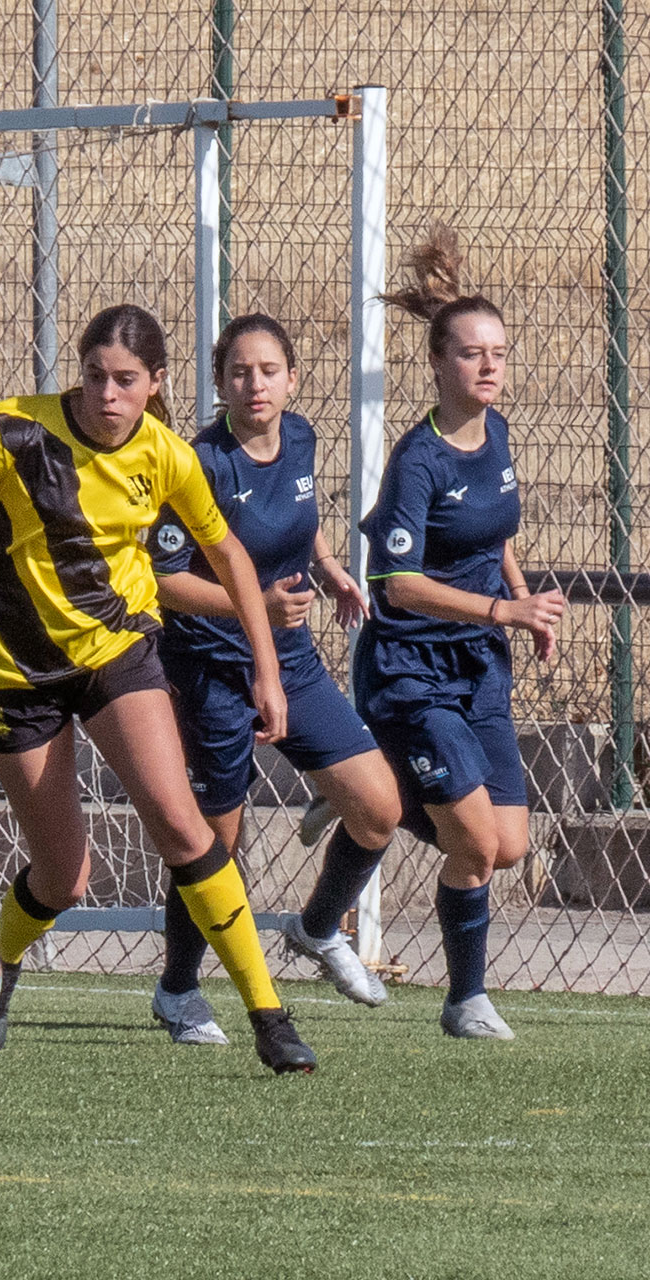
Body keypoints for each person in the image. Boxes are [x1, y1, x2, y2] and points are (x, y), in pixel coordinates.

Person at [0, 303, 317, 1074]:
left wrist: (267, 672)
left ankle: (268, 1015)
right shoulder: (15, 431)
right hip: (13, 670)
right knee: (63, 875)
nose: (108, 394)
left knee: (182, 826)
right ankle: (2, 962)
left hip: (117, 650)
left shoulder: (167, 456)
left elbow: (231, 558)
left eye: (126, 380)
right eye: (95, 376)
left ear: (156, 383)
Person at [146, 315, 403, 1045]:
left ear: (293, 378)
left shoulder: (302, 438)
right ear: (220, 382)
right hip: (212, 668)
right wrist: (252, 604)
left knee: (378, 807)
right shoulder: (199, 464)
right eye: (239, 372)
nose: (254, 385)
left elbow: (297, 516)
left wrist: (328, 566)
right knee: (214, 846)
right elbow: (163, 579)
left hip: (290, 660)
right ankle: (177, 991)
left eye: (268, 371)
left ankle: (317, 929)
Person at [356, 228, 563, 1039]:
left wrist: (522, 596)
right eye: (472, 354)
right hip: (412, 670)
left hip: (480, 668)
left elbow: (495, 532)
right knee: (473, 844)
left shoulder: (497, 433)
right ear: (438, 363)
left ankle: (375, 787)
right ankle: (464, 1000)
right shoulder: (419, 461)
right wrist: (503, 612)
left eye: (498, 354)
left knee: (507, 845)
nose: (488, 367)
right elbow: (395, 583)